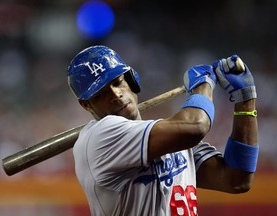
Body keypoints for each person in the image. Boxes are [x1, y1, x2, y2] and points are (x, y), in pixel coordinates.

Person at [67, 45, 259, 216]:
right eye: (101, 94)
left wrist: (245, 100)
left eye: (117, 82)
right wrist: (203, 85)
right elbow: (196, 126)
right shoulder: (99, 137)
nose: (116, 95)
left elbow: (236, 179)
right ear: (87, 105)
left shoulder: (167, 136)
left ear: (131, 79)